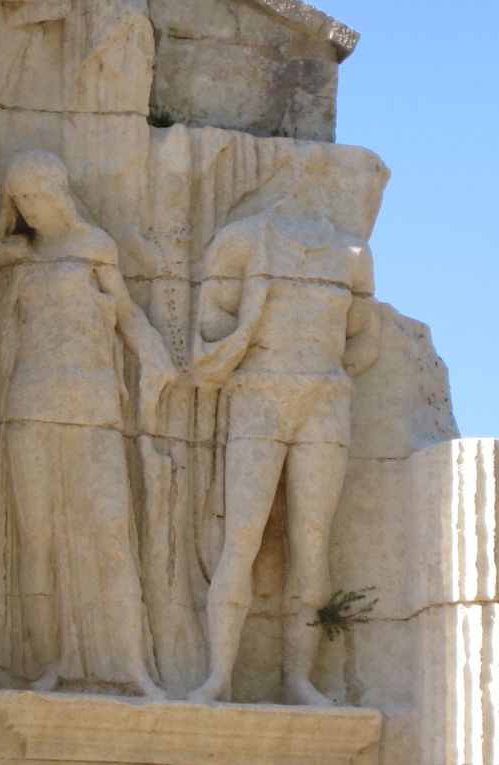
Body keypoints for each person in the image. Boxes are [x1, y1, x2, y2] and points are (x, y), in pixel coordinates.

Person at [0, 150, 174, 698]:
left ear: (58, 193)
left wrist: (155, 358)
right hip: (29, 400)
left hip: (92, 401)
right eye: (19, 201)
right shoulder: (18, 259)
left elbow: (125, 314)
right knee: (36, 539)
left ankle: (133, 664)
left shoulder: (94, 247)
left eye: (36, 196)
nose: (29, 209)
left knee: (112, 530)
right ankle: (49, 663)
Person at [188, 203, 380, 704]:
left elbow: (364, 341)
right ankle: (219, 674)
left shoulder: (353, 255)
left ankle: (300, 678)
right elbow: (210, 327)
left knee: (312, 544)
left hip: (323, 402)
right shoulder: (243, 239)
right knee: (243, 536)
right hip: (259, 395)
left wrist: (326, 377)